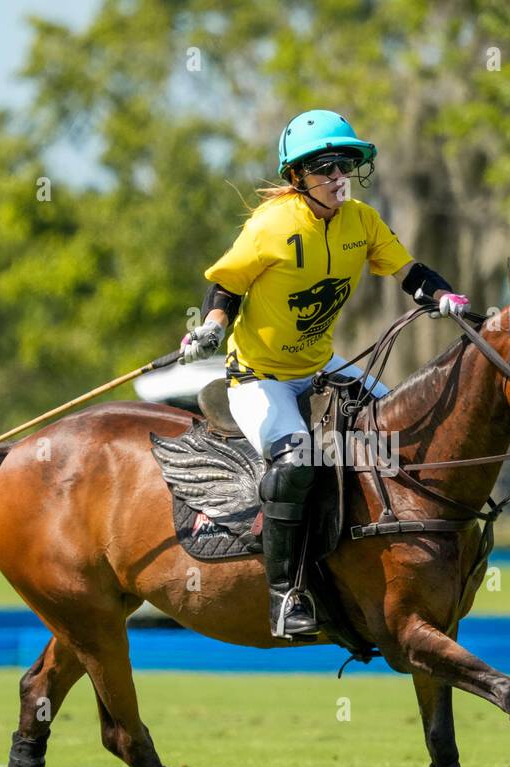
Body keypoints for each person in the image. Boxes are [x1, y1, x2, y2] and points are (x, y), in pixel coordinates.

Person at [179, 109, 468, 640]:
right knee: (297, 462)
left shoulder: (361, 221)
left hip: (319, 366)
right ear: (297, 177)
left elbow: (409, 274)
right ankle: (285, 595)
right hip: (259, 377)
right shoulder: (271, 225)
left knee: (400, 438)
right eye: (326, 167)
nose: (339, 177)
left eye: (346, 165)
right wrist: (212, 327)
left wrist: (444, 295)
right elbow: (227, 286)